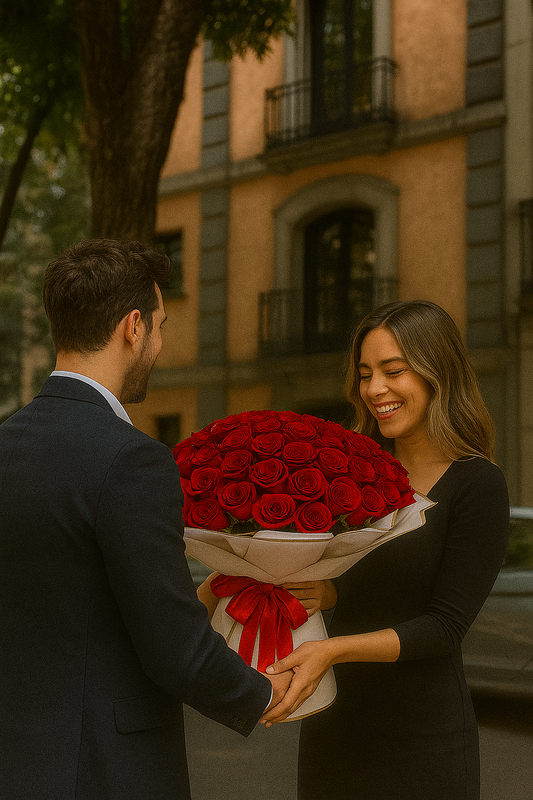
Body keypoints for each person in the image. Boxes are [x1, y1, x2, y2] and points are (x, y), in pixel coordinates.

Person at [0, 239, 290, 800]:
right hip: (102, 769)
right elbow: (172, 648)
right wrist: (260, 693)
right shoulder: (131, 457)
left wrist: (198, 595)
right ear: (132, 327)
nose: (159, 343)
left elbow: (67, 598)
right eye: (158, 326)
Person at [262, 300, 510, 800]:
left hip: (424, 744)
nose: (375, 389)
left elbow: (443, 627)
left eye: (393, 371)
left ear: (437, 373)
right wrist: (319, 593)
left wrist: (332, 650)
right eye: (365, 373)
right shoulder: (352, 471)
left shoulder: (477, 484)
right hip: (334, 731)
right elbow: (362, 588)